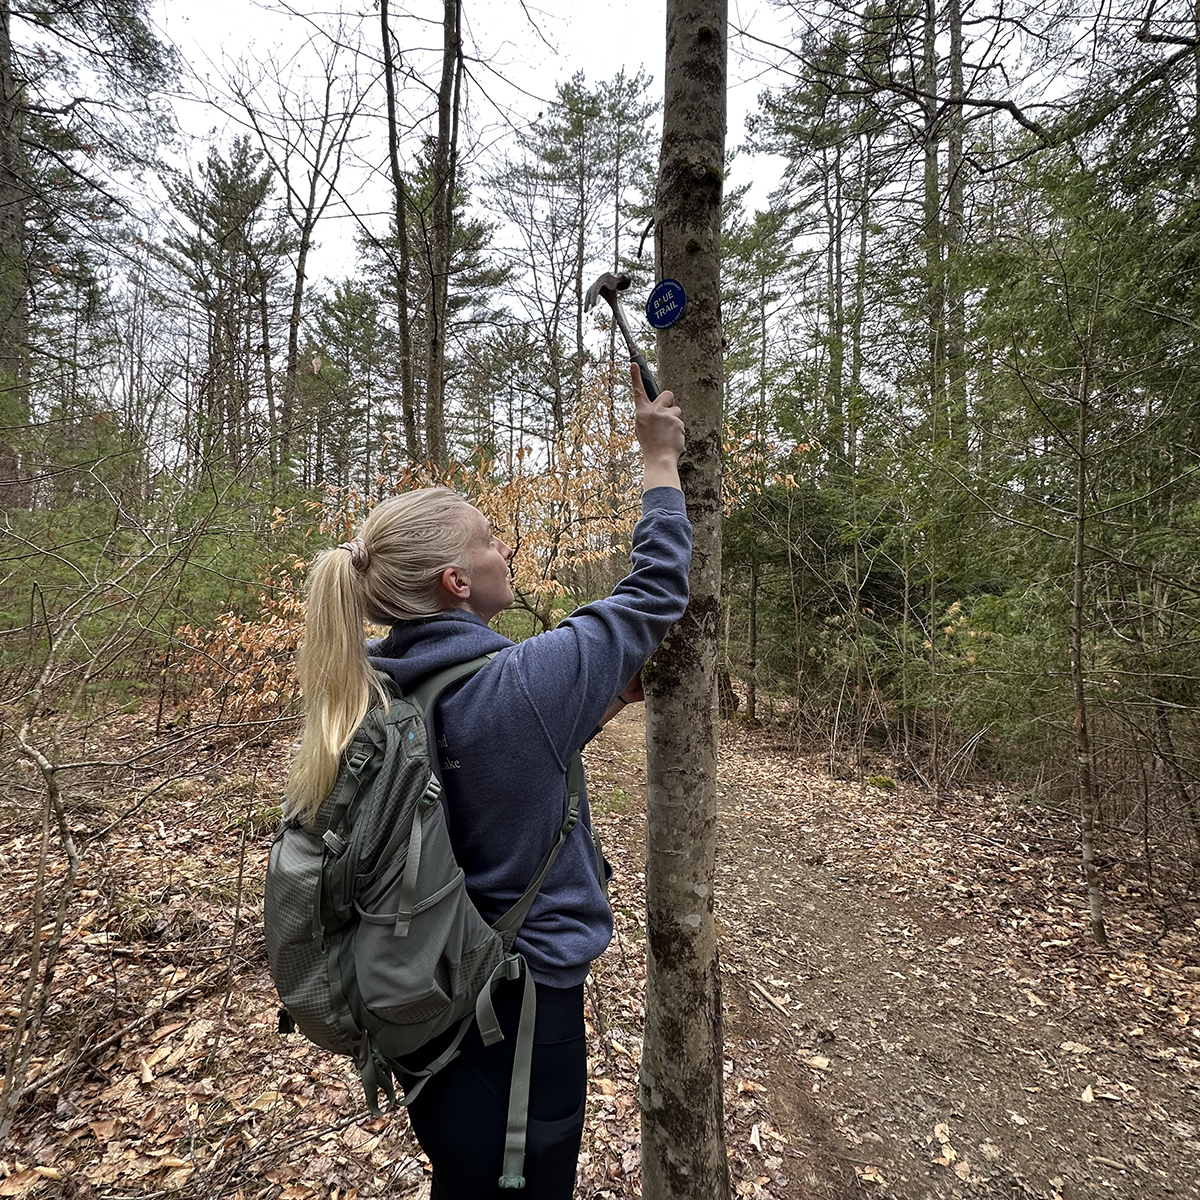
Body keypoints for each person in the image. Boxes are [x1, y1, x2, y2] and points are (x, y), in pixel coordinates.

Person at [283, 364, 691, 1198]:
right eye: (490, 539)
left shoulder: (375, 685)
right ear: (457, 583)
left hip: (429, 1011)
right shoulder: (519, 687)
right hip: (522, 1014)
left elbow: (481, 771)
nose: (507, 545)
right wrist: (658, 459)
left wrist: (600, 697)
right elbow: (655, 592)